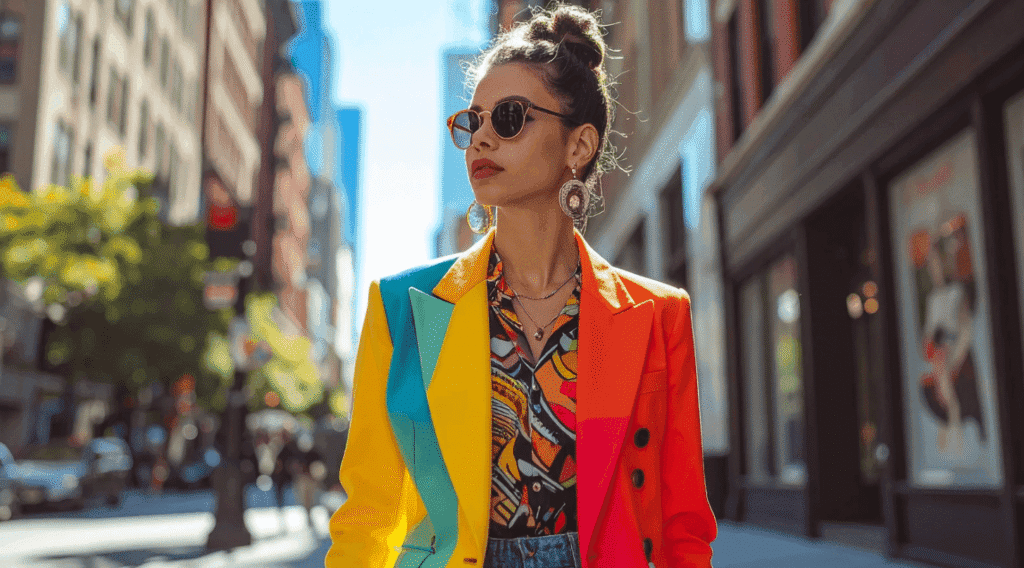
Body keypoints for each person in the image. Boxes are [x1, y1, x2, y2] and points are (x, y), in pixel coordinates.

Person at [326, 4, 717, 567]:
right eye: (472, 120)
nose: (481, 138)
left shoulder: (658, 314)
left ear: (578, 147)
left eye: (509, 117)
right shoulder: (403, 310)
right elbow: (368, 516)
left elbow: (683, 525)